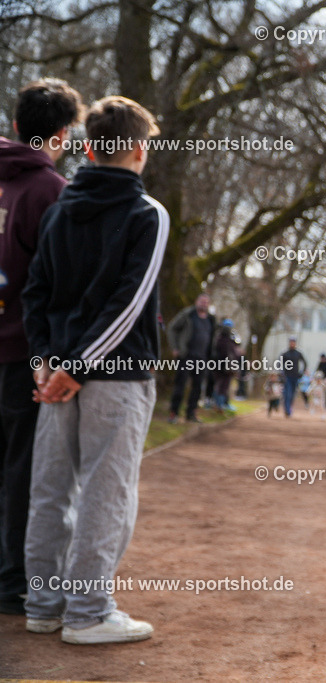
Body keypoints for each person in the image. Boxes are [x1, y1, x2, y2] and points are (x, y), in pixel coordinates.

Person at [21, 95, 165, 644]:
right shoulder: (147, 213)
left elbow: (36, 294)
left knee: (51, 490)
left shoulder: (59, 208)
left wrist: (45, 363)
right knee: (108, 490)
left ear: (88, 148)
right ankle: (87, 613)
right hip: (111, 375)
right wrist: (74, 367)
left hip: (57, 374)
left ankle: (44, 605)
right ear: (136, 150)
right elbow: (129, 305)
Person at [0, 77, 82, 616]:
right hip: (21, 353)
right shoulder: (50, 190)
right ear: (64, 134)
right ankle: (12, 582)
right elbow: (57, 281)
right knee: (23, 470)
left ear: (13, 126)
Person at [167, 293, 216, 423]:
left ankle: (191, 414)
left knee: (198, 387)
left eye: (206, 302)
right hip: (186, 356)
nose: (203, 304)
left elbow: (212, 338)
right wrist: (175, 348)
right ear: (196, 301)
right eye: (201, 301)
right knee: (180, 385)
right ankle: (174, 413)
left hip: (202, 358)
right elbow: (172, 328)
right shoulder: (188, 314)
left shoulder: (211, 319)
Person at [211, 319, 240, 413]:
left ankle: (220, 405)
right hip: (222, 367)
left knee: (222, 387)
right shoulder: (221, 340)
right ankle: (219, 405)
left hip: (225, 367)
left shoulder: (229, 340)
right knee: (221, 387)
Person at [279, 336, 306, 417]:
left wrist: (301, 373)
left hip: (295, 377)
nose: (292, 343)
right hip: (287, 377)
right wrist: (282, 373)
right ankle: (287, 410)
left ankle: (289, 408)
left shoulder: (298, 353)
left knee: (293, 394)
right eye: (291, 342)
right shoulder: (285, 353)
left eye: (293, 342)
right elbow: (279, 364)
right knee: (287, 393)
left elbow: (305, 363)